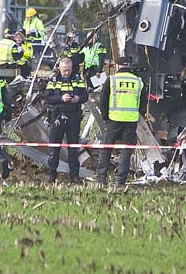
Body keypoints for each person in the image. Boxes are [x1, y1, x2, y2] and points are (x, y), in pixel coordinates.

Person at [97, 57, 147, 187]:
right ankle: (120, 180)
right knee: (126, 151)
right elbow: (143, 103)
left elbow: (102, 101)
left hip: (113, 119)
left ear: (117, 66)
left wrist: (105, 117)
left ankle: (101, 179)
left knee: (106, 149)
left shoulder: (112, 80)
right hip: (130, 120)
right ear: (129, 66)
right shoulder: (138, 81)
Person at [44, 58, 87, 183]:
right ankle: (52, 174)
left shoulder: (77, 80)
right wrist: (61, 98)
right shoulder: (54, 80)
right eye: (64, 71)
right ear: (60, 69)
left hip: (73, 116)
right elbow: (47, 98)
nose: (66, 73)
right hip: (57, 116)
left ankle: (74, 175)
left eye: (68, 70)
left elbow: (85, 96)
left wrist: (77, 98)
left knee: (73, 148)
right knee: (54, 147)